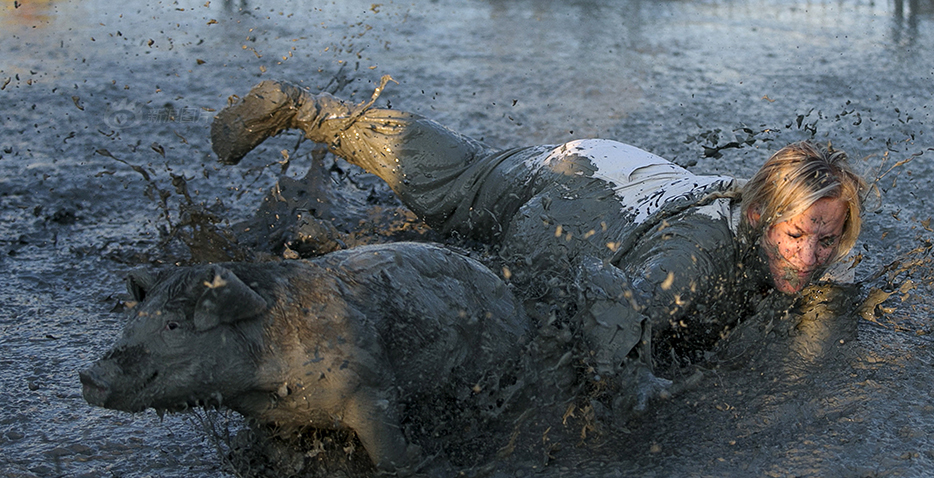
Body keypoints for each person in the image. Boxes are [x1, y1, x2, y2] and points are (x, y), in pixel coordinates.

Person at [210, 78, 869, 409]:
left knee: (460, 177)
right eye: (795, 236)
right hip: (571, 199)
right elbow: (608, 306)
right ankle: (298, 132)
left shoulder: (772, 208)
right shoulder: (694, 264)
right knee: (488, 280)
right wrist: (636, 389)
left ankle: (304, 108)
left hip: (606, 163)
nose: (810, 256)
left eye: (827, 241)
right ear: (759, 216)